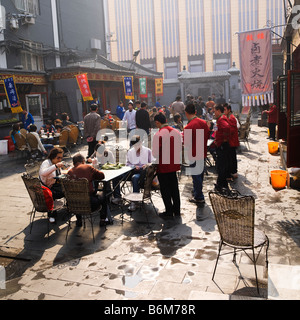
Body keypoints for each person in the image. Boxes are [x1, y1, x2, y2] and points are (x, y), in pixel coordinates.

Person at [152, 113, 182, 218]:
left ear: (157, 122)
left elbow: (155, 153)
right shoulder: (176, 132)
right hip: (174, 165)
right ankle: (177, 210)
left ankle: (169, 211)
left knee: (165, 190)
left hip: (163, 167)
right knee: (174, 188)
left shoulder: (158, 134)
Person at [67, 153, 106, 227]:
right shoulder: (87, 167)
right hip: (90, 204)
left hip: (73, 205)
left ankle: (79, 221)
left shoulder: (69, 172)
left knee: (76, 196)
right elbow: (102, 176)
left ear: (73, 163)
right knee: (103, 195)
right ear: (83, 161)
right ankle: (103, 220)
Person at [184, 103, 210, 205]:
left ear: (186, 113)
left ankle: (199, 196)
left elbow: (186, 143)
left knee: (196, 176)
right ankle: (197, 193)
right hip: (202, 151)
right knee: (200, 175)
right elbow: (207, 136)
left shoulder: (188, 127)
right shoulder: (203, 123)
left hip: (193, 154)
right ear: (195, 112)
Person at [126, 135, 155, 211]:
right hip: (133, 170)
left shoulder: (147, 151)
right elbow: (127, 163)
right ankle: (117, 197)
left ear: (141, 142)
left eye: (138, 145)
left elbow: (153, 162)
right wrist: (133, 166)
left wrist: (146, 165)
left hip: (144, 172)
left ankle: (135, 202)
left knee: (135, 178)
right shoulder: (130, 151)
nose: (137, 147)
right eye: (135, 146)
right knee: (119, 176)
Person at [39, 148, 65, 222]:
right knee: (65, 191)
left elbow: (58, 174)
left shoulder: (54, 163)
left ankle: (71, 207)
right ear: (53, 157)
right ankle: (51, 214)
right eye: (58, 158)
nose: (60, 159)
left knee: (68, 188)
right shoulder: (46, 163)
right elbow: (43, 173)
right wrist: (56, 166)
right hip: (45, 189)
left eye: (61, 157)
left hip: (53, 185)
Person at [212, 105, 231, 191]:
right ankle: (223, 184)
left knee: (221, 165)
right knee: (222, 165)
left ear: (219, 110)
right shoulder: (222, 118)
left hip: (222, 145)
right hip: (222, 144)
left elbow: (227, 128)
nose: (214, 113)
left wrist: (224, 138)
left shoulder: (221, 119)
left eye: (215, 111)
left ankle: (220, 184)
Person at [224, 104, 239, 180]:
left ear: (229, 110)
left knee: (231, 157)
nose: (224, 111)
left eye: (225, 110)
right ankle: (233, 172)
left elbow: (231, 130)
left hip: (231, 141)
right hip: (231, 141)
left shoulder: (231, 118)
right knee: (231, 157)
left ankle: (232, 173)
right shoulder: (229, 117)